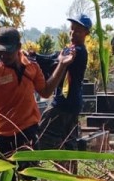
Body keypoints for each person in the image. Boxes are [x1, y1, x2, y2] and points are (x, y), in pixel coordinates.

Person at [0, 27, 74, 157]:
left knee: (28, 176)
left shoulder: (32, 65)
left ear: (18, 47)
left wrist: (62, 65)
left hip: (28, 132)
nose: (3, 56)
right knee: (2, 176)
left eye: (7, 52)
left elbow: (45, 92)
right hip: (0, 135)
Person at [38, 14, 91, 150]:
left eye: (78, 31)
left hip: (63, 103)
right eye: (72, 29)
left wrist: (35, 59)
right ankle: (69, 168)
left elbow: (53, 62)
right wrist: (36, 56)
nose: (73, 33)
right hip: (73, 102)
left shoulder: (76, 51)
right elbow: (54, 57)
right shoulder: (73, 49)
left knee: (42, 136)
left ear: (86, 33)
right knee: (68, 140)